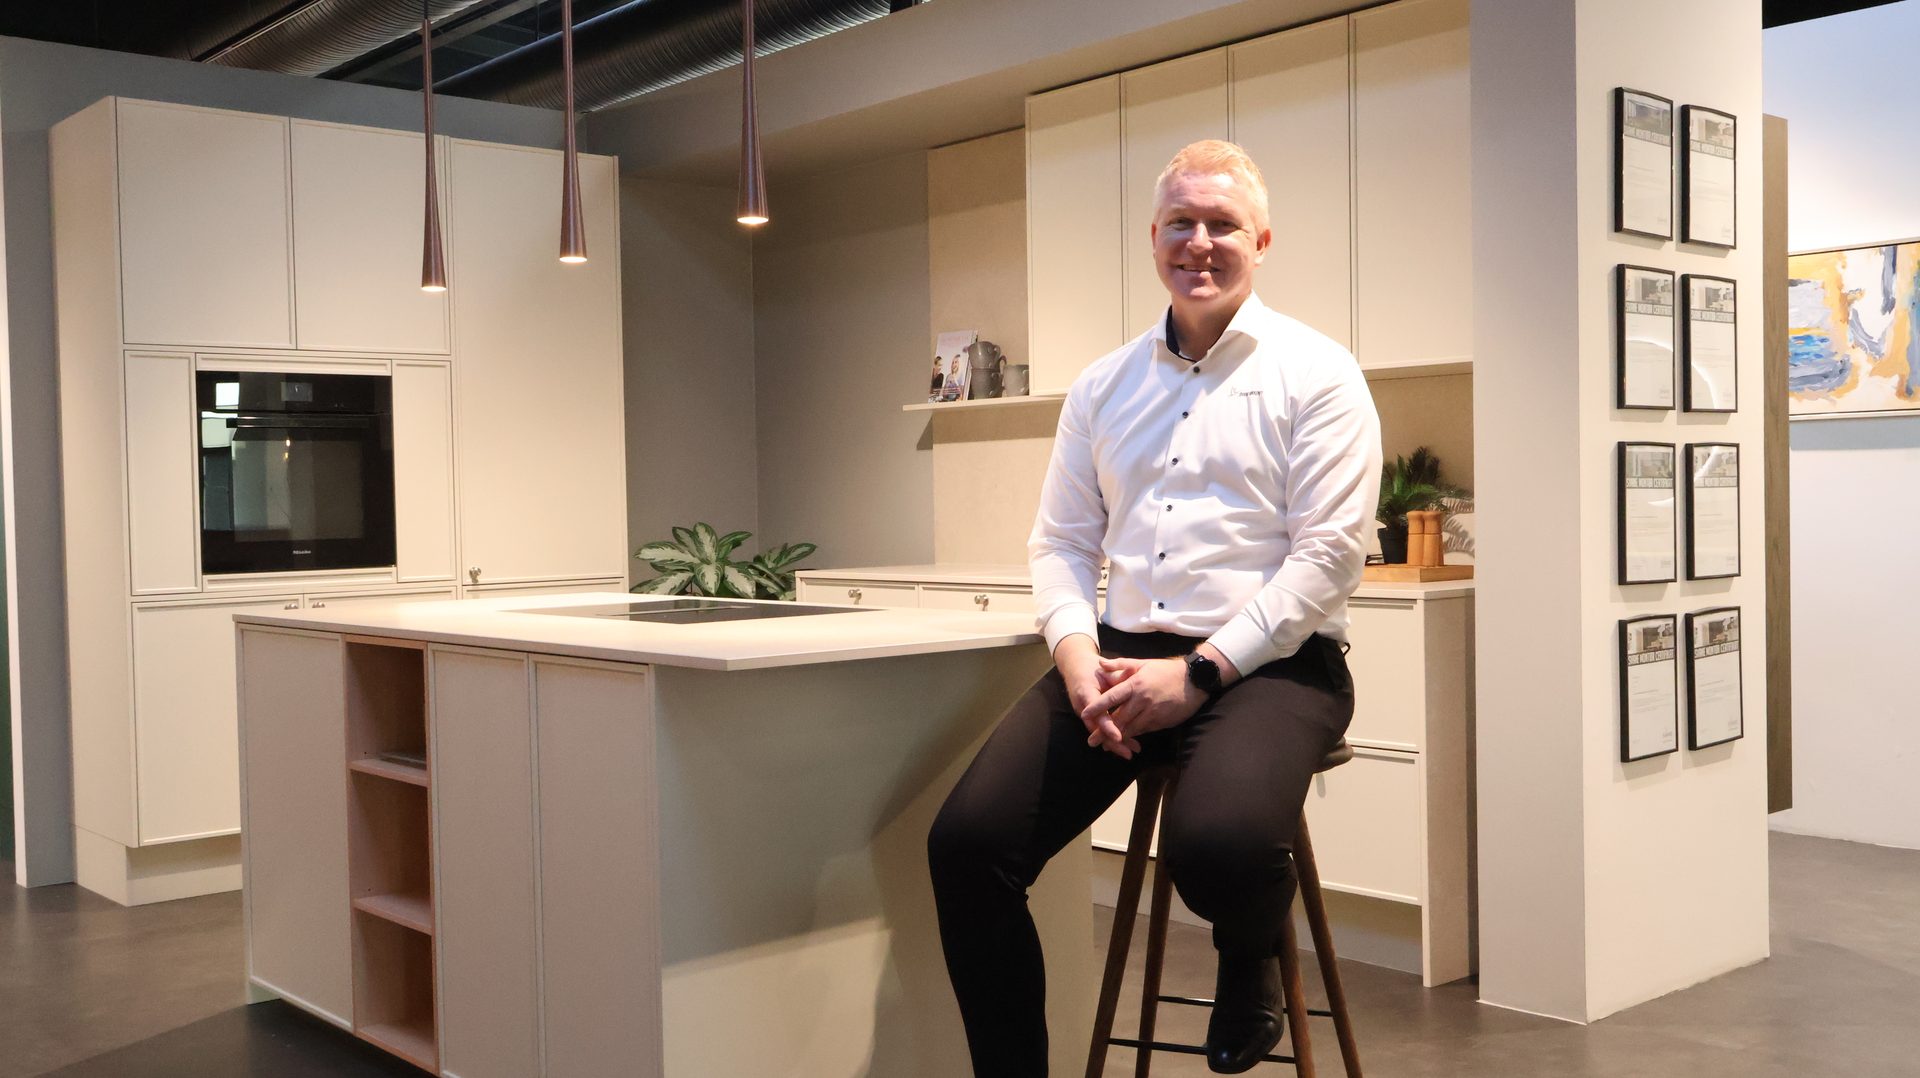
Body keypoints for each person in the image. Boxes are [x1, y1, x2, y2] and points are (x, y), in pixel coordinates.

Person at [927, 139, 1382, 1076]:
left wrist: (1202, 673)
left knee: (1213, 845)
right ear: (1154, 239)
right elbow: (1059, 544)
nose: (1200, 243)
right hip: (1122, 656)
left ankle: (1248, 952)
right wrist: (1075, 653)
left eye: (1222, 225)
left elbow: (1328, 558)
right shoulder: (1103, 386)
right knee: (967, 848)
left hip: (1274, 666)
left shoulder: (1320, 374)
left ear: (1261, 239)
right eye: (1182, 223)